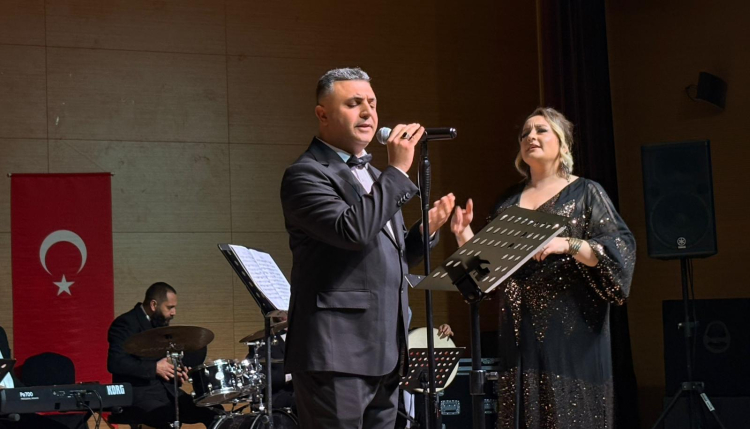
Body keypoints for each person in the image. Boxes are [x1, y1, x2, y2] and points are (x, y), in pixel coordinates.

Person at [280, 67, 455, 429]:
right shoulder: (306, 174)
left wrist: (424, 233)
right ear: (322, 114)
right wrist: (398, 171)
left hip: (385, 351)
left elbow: (388, 257)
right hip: (336, 354)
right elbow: (352, 231)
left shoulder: (375, 177)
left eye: (372, 104)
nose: (368, 113)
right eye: (354, 103)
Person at [450, 107, 635, 428]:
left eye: (541, 130)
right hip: (519, 339)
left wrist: (568, 244)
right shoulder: (508, 203)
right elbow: (485, 278)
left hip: (574, 338)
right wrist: (463, 235)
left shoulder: (586, 193)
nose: (530, 137)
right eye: (525, 133)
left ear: (563, 143)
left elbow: (620, 252)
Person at [106, 282, 217, 429]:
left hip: (167, 392)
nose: (174, 312)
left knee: (214, 412)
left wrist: (176, 371)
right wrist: (155, 368)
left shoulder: (159, 323)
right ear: (154, 305)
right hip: (138, 394)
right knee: (163, 417)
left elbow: (165, 360)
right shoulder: (125, 324)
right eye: (170, 307)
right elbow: (116, 362)